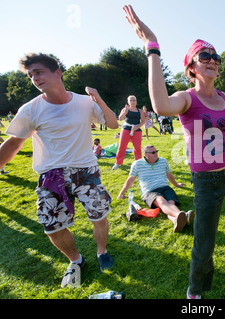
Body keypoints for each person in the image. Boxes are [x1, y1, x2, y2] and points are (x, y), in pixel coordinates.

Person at [123, 5, 225, 299]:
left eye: (216, 57)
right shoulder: (186, 98)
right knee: (205, 245)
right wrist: (152, 47)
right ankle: (195, 292)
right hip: (206, 182)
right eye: (204, 56)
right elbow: (159, 106)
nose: (213, 61)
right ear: (191, 68)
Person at [0, 53, 119, 288]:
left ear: (58, 73)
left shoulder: (85, 102)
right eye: (31, 74)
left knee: (100, 216)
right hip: (51, 175)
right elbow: (14, 143)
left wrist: (98, 99)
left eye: (39, 72)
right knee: (52, 227)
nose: (34, 78)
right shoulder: (30, 109)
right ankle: (76, 259)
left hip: (86, 170)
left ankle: (102, 251)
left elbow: (113, 124)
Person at [118, 145, 194, 232]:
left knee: (170, 204)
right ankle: (183, 215)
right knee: (162, 202)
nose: (156, 154)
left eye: (156, 151)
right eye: (153, 152)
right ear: (145, 154)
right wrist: (121, 193)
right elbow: (130, 180)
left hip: (165, 188)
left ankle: (176, 221)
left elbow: (169, 175)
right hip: (150, 191)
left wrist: (176, 184)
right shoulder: (137, 164)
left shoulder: (163, 161)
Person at [112, 95, 145, 170]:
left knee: (137, 148)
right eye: (131, 100)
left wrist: (137, 126)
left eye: (134, 100)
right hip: (126, 129)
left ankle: (138, 163)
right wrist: (125, 113)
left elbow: (143, 121)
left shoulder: (140, 111)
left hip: (137, 130)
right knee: (122, 147)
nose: (133, 102)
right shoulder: (125, 109)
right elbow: (120, 119)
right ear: (128, 102)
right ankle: (118, 163)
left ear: (136, 102)